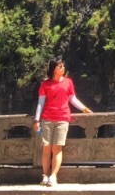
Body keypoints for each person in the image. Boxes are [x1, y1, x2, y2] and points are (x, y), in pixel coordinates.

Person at [33, 56, 92, 186]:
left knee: (57, 147)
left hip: (63, 118)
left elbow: (73, 99)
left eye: (63, 66)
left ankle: (53, 176)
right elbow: (40, 103)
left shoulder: (68, 82)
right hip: (47, 118)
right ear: (53, 69)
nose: (63, 68)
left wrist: (84, 109)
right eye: (60, 66)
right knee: (47, 148)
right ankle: (45, 175)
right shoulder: (45, 84)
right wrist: (37, 120)